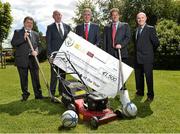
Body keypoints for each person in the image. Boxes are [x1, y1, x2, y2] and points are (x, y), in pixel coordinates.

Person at [11, 16, 44, 101]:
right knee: (23, 79)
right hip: (22, 59)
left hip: (33, 59)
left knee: (36, 78)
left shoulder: (36, 34)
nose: (30, 24)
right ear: (24, 23)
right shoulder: (18, 32)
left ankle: (38, 94)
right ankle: (25, 95)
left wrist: (36, 51)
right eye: (28, 22)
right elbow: (13, 43)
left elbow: (39, 46)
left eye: (31, 23)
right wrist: (23, 38)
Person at [134, 12, 159, 101]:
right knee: (138, 77)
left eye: (142, 18)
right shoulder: (136, 30)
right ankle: (140, 91)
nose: (140, 20)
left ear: (146, 18)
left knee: (148, 78)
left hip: (147, 58)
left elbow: (156, 43)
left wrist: (150, 52)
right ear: (137, 20)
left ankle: (150, 95)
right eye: (138, 18)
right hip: (137, 58)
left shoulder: (150, 29)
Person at [103, 8, 131, 89]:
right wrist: (105, 53)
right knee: (111, 72)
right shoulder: (107, 27)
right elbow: (104, 40)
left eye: (116, 15)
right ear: (111, 17)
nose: (115, 16)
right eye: (113, 15)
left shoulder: (125, 25)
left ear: (119, 16)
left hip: (121, 52)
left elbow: (127, 37)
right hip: (110, 53)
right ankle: (112, 88)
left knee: (121, 72)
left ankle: (123, 88)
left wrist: (121, 45)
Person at [46, 10, 71, 99]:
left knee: (63, 76)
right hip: (54, 56)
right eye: (56, 15)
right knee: (54, 75)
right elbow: (48, 42)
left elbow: (70, 41)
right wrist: (49, 56)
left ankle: (61, 92)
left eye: (59, 14)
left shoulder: (67, 27)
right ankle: (52, 93)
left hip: (64, 56)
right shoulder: (50, 27)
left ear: (61, 15)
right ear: (53, 17)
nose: (58, 16)